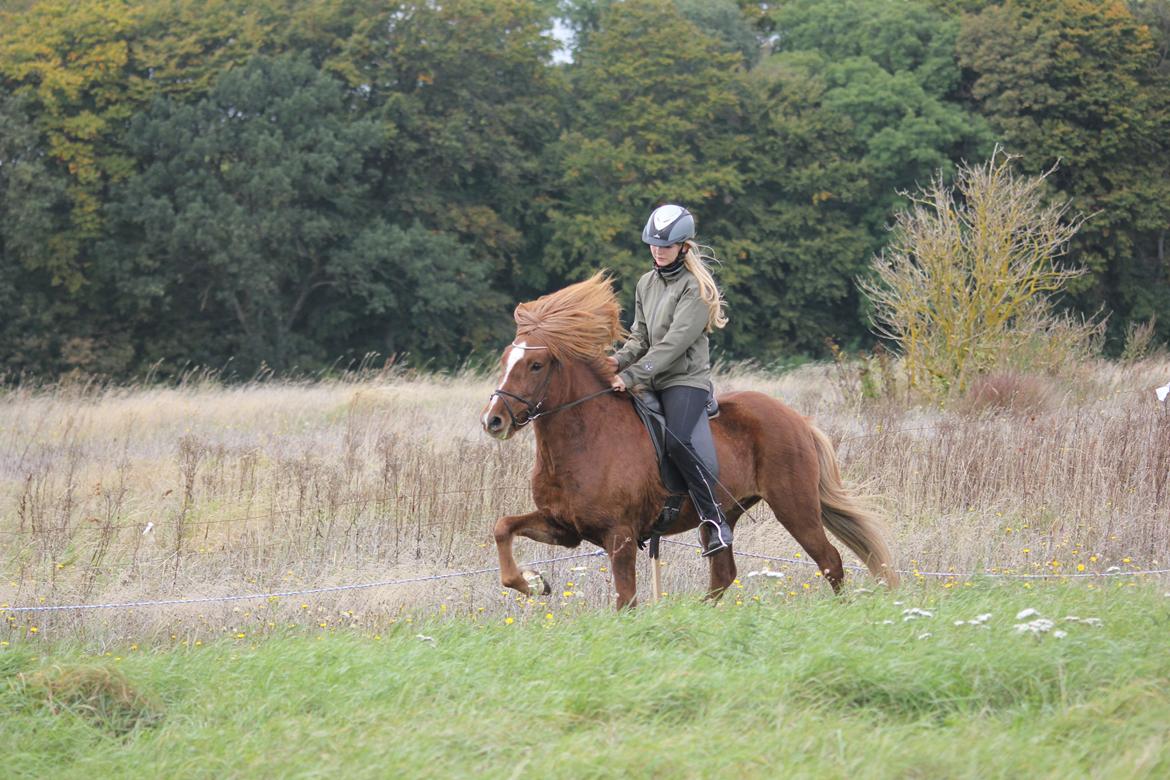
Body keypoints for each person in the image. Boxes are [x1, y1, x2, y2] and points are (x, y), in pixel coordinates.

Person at [607, 204, 732, 556]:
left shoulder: (695, 289)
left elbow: (673, 345)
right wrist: (614, 362)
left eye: (666, 246)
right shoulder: (645, 283)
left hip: (684, 381)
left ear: (683, 247)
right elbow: (640, 338)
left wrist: (630, 375)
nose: (658, 252)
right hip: (650, 379)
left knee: (677, 440)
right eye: (653, 245)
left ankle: (713, 520)